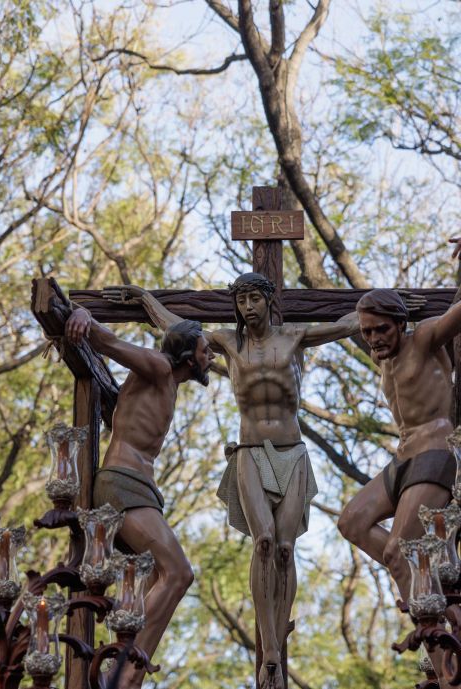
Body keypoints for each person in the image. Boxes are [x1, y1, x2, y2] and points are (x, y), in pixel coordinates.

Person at [104, 276, 363, 689]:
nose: (247, 307)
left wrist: (388, 306)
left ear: (269, 299)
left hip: (292, 450)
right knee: (262, 542)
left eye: (254, 298)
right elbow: (175, 329)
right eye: (241, 299)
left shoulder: (295, 336)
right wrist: (145, 297)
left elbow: (351, 323)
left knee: (283, 547)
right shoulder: (226, 342)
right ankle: (272, 656)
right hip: (248, 452)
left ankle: (276, 641)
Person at [336, 232, 461, 624]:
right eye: (367, 332)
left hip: (435, 454)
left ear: (400, 323)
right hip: (402, 460)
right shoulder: (382, 359)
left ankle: (441, 652)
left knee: (398, 554)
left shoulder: (424, 339)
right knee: (351, 521)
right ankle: (428, 576)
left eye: (382, 330)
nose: (373, 339)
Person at [64, 305, 214, 689]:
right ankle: (127, 674)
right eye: (205, 350)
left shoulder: (168, 385)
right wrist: (84, 314)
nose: (210, 357)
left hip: (142, 489)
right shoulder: (160, 367)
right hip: (122, 484)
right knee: (178, 572)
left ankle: (122, 661)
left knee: (152, 582)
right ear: (186, 353)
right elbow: (111, 342)